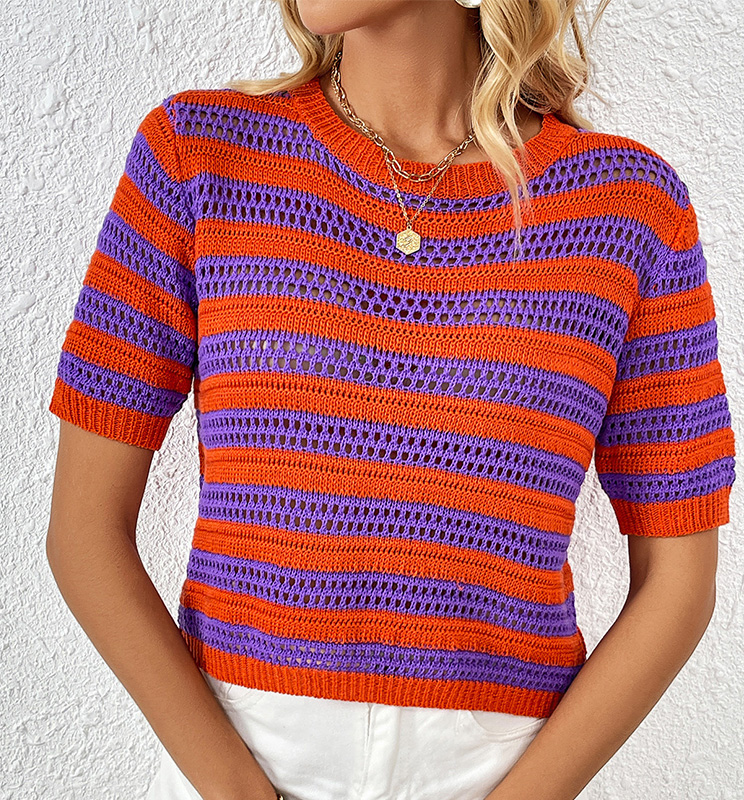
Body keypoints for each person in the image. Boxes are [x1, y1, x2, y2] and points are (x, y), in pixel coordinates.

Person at [45, 1, 736, 799]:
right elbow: (83, 534)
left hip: (499, 768)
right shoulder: (199, 155)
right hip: (236, 751)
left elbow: (679, 579)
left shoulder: (629, 208)